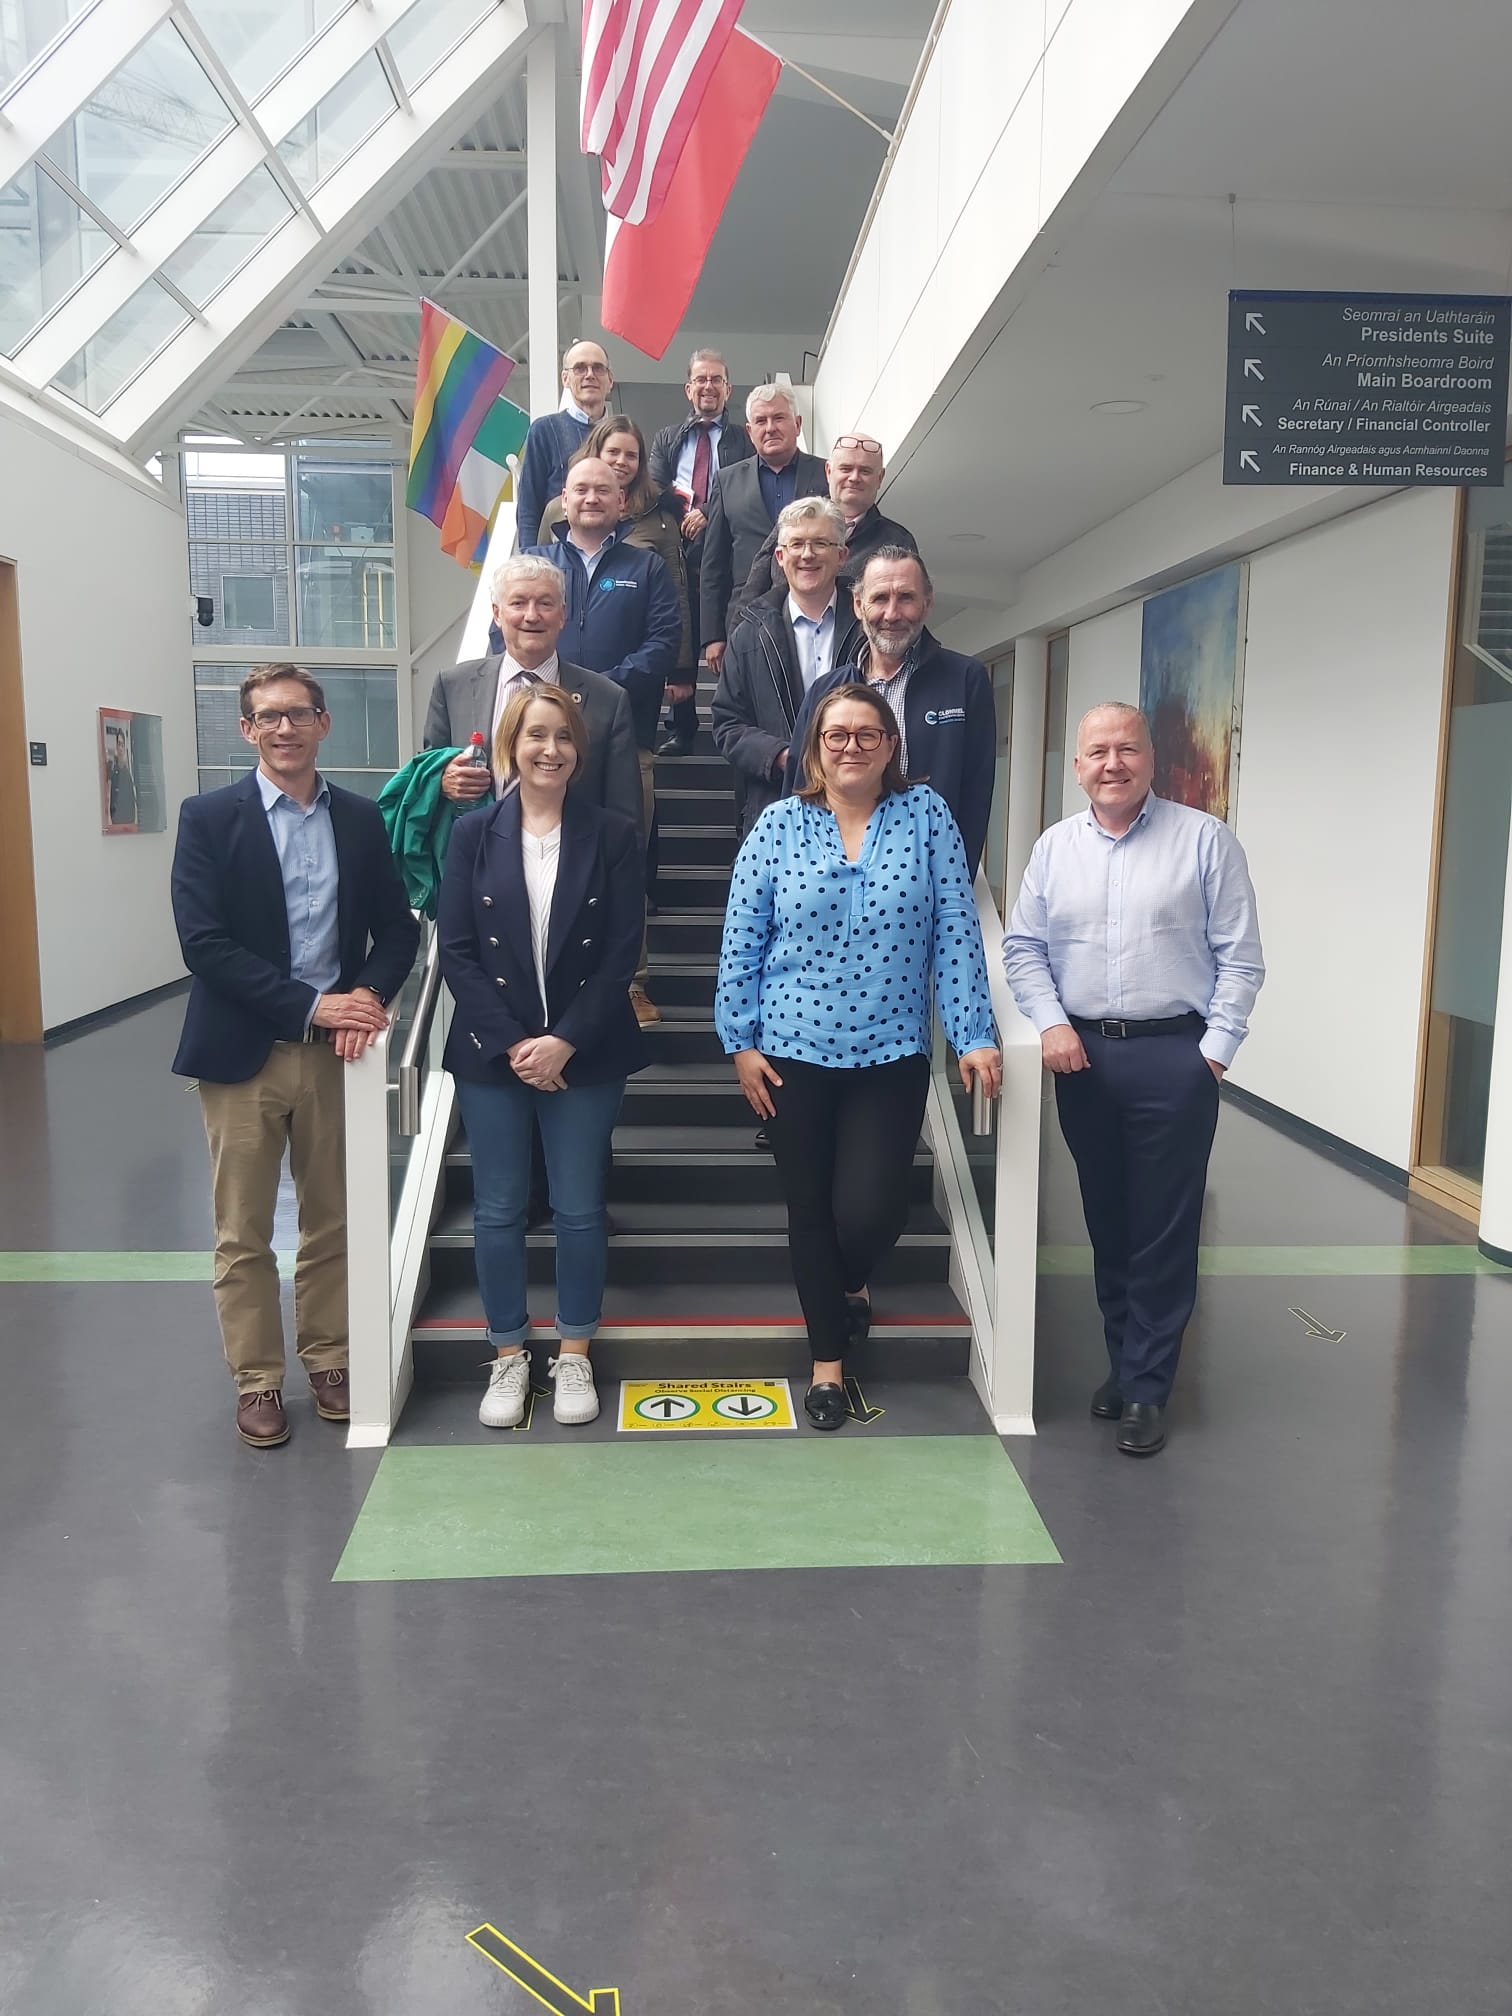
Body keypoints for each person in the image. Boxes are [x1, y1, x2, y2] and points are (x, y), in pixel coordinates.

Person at [716, 683, 1000, 1430]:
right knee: (810, 1210)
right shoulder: (778, 825)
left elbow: (956, 932)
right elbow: (741, 940)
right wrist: (739, 1043)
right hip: (790, 1052)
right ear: (815, 745)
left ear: (891, 746)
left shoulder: (927, 817)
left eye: (868, 734)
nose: (851, 746)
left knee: (870, 1211)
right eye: (836, 734)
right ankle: (827, 1366)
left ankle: (852, 1283)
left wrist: (973, 1033)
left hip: (891, 1049)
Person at [1002, 702, 1264, 1458]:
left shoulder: (1205, 842)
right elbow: (1023, 949)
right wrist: (1051, 1023)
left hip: (1173, 1057)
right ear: (1077, 766)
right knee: (1108, 1221)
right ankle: (1125, 1362)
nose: (1112, 764)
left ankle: (1149, 1388)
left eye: (1127, 749)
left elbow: (1240, 957)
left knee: (1164, 1228)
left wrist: (1211, 1054)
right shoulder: (1055, 849)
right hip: (1081, 1058)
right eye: (1097, 752)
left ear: (1151, 759)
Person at [171, 665, 420, 1448]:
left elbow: (400, 930)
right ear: (247, 730)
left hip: (332, 1058)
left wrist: (367, 999)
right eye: (268, 717)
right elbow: (203, 945)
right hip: (241, 1053)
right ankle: (257, 1380)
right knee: (242, 1232)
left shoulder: (357, 818)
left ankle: (330, 1359)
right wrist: (312, 1003)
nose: (285, 729)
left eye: (300, 715)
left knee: (333, 1222)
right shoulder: (210, 818)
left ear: (323, 725)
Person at [437, 687, 647, 1428]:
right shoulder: (471, 834)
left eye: (562, 736)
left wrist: (565, 1040)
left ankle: (576, 1354)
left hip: (585, 1052)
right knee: (496, 1211)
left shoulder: (615, 834)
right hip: (495, 1053)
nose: (549, 749)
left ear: (579, 751)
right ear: (510, 747)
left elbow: (623, 952)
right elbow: (457, 951)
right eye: (534, 736)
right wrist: (518, 1043)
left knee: (580, 1209)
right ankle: (507, 1357)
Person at [522, 456, 681, 1027]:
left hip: (624, 739)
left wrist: (600, 692)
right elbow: (510, 638)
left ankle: (631, 982)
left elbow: (664, 642)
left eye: (604, 490)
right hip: (535, 746)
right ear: (562, 499)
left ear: (622, 502)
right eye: (581, 489)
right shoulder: (537, 563)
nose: (591, 498)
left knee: (623, 857)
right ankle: (540, 973)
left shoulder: (645, 566)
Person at [785, 547, 996, 875]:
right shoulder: (825, 691)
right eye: (880, 598)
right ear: (858, 605)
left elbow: (976, 796)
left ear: (928, 603)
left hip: (926, 873)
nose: (892, 613)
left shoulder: (966, 680)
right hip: (834, 874)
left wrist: (953, 881)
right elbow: (800, 788)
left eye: (906, 598)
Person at [423, 554, 641, 836]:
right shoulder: (453, 686)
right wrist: (443, 779)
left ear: (562, 615)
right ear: (497, 614)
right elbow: (427, 770)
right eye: (518, 603)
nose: (531, 615)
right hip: (476, 861)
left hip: (571, 865)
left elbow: (625, 814)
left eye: (545, 603)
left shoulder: (607, 700)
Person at [710, 495, 862, 839]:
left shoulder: (867, 626)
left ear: (841, 555)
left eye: (820, 543)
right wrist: (784, 757)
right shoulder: (748, 631)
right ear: (780, 557)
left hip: (860, 810)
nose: (807, 555)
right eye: (796, 544)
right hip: (775, 809)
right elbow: (726, 722)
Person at [648, 347, 754, 756]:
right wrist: (686, 513)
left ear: (727, 389)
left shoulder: (742, 439)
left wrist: (709, 511)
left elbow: (744, 483)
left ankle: (734, 722)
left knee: (725, 636)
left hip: (724, 547)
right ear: (688, 389)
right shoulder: (667, 437)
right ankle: (682, 726)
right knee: (681, 633)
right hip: (677, 546)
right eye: (701, 379)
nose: (708, 386)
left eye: (717, 379)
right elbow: (657, 485)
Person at [699, 383, 826, 678]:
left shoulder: (825, 475)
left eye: (779, 418)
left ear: (797, 424)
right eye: (761, 421)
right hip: (745, 618)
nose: (770, 428)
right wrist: (712, 636)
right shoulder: (727, 480)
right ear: (749, 431)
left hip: (814, 613)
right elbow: (713, 565)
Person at [730, 432, 917, 626]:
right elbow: (752, 593)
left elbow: (905, 613)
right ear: (828, 471)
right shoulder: (794, 522)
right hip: (781, 646)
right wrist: (736, 645)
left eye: (865, 471)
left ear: (880, 478)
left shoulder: (897, 541)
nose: (854, 477)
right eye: (846, 468)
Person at [513, 339, 613, 561]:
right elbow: (529, 505)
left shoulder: (622, 436)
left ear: (610, 380)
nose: (589, 375)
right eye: (580, 368)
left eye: (598, 368)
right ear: (565, 379)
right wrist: (529, 560)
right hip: (560, 557)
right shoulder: (545, 430)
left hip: (612, 557)